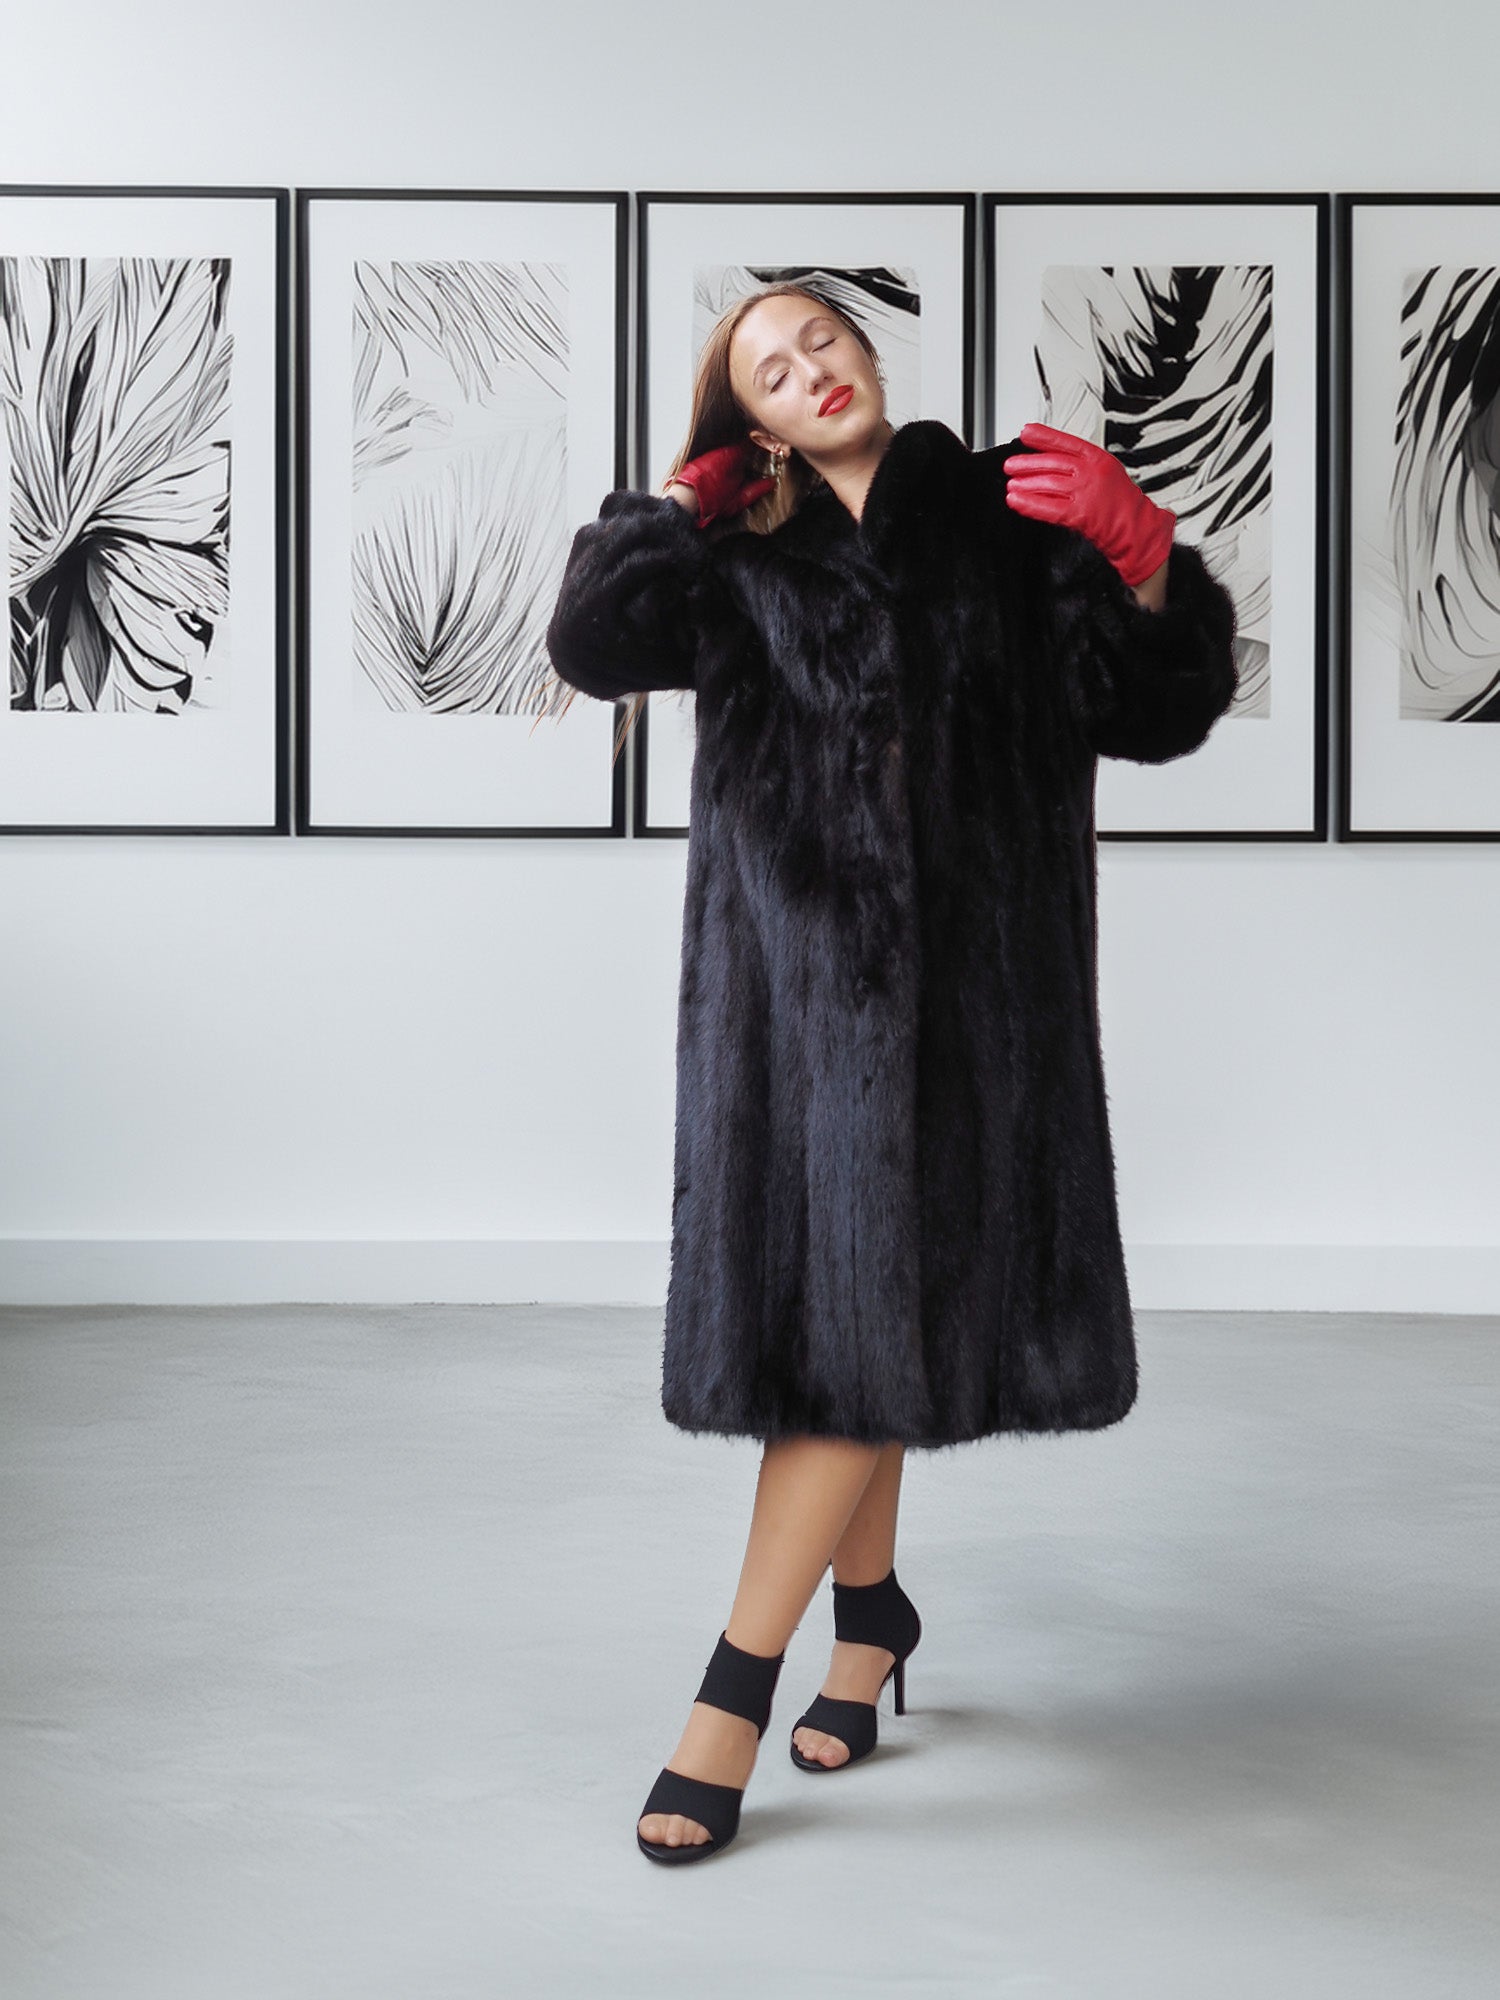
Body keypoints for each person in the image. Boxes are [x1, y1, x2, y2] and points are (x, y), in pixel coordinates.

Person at [544, 283, 1239, 1866]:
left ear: (865, 350)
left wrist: (1146, 563)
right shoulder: (733, 550)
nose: (810, 374)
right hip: (785, 1014)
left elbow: (1158, 713)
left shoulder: (1005, 513)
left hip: (982, 1006)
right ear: (756, 418)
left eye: (821, 342)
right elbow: (589, 645)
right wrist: (671, 507)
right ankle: (870, 1618)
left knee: (871, 1316)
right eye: (769, 374)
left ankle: (732, 1691)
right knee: (845, 1331)